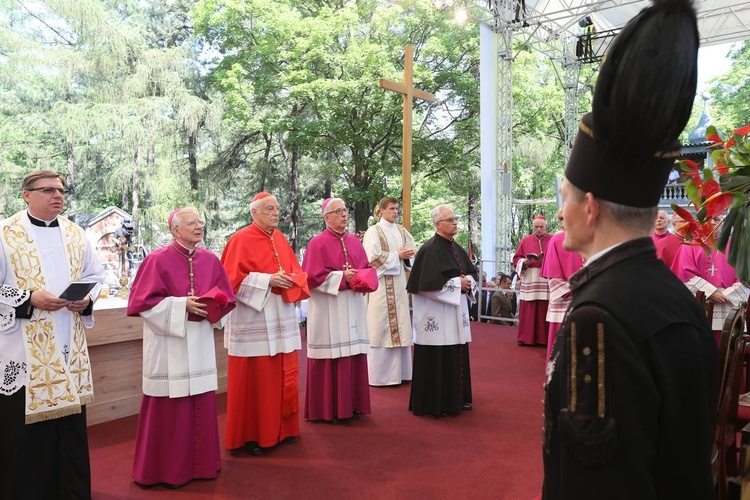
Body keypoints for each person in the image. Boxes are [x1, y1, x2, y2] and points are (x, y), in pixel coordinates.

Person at [543, 1, 719, 497]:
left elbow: (595, 483)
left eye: (565, 199)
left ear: (591, 207)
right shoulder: (675, 294)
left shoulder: (597, 318)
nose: (561, 214)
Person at [0, 169, 106, 499]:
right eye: (47, 190)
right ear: (27, 195)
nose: (57, 195)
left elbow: (96, 275)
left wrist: (87, 299)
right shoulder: (5, 233)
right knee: (24, 438)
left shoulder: (76, 234)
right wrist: (29, 297)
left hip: (68, 345)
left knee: (69, 432)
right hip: (23, 350)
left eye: (60, 190)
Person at [127, 207, 236, 488]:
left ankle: (202, 465)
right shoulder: (156, 260)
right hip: (167, 344)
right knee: (167, 403)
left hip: (198, 339)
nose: (199, 226)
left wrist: (215, 305)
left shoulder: (210, 260)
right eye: (192, 223)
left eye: (200, 222)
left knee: (200, 399)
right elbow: (141, 305)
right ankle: (163, 470)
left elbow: (226, 298)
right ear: (175, 229)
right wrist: (180, 305)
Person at [220, 192, 305, 454]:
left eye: (277, 208)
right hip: (253, 318)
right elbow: (229, 281)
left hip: (279, 314)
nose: (276, 213)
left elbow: (294, 270)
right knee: (255, 378)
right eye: (269, 209)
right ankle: (252, 436)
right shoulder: (240, 239)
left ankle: (284, 429)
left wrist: (291, 279)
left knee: (284, 371)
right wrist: (267, 280)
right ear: (254, 213)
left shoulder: (280, 238)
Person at [302, 198, 372, 423]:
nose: (344, 215)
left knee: (353, 352)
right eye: (338, 211)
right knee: (332, 353)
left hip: (352, 304)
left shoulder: (354, 241)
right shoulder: (317, 243)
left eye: (345, 211)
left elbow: (367, 268)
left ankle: (353, 404)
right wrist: (343, 276)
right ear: (326, 217)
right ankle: (329, 409)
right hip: (329, 308)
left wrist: (362, 277)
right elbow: (311, 278)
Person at [406, 204, 477, 416]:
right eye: (450, 220)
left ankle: (455, 399)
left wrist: (468, 281)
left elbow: (470, 272)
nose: (455, 223)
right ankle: (435, 404)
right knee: (437, 357)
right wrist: (458, 284)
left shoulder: (456, 248)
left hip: (454, 313)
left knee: (455, 353)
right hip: (436, 314)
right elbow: (425, 285)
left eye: (455, 219)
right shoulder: (429, 250)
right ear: (438, 224)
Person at [362, 196, 417, 386]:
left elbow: (412, 251)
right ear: (382, 210)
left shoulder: (402, 230)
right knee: (380, 327)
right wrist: (397, 256)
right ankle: (380, 377)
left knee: (401, 326)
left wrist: (408, 256)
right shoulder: (373, 231)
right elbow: (371, 258)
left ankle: (401, 374)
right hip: (380, 287)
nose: (395, 212)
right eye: (392, 209)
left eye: (397, 208)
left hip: (399, 286)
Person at [672, 216, 749, 342]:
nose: (713, 222)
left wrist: (726, 295)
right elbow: (683, 273)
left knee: (726, 347)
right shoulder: (690, 243)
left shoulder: (737, 245)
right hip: (699, 301)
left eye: (717, 219)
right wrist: (710, 292)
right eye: (709, 219)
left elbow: (745, 276)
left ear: (723, 221)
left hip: (729, 304)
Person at [539, 214, 583, 362]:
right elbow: (553, 274)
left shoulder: (592, 237)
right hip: (567, 296)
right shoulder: (558, 239)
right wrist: (579, 286)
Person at [512, 215, 552, 346]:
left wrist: (544, 260)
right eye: (536, 227)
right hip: (530, 277)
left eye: (541, 227)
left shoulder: (553, 240)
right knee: (529, 308)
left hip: (546, 277)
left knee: (544, 307)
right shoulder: (525, 241)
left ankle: (543, 339)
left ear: (546, 226)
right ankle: (526, 338)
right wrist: (524, 262)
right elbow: (516, 258)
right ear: (533, 226)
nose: (539, 229)